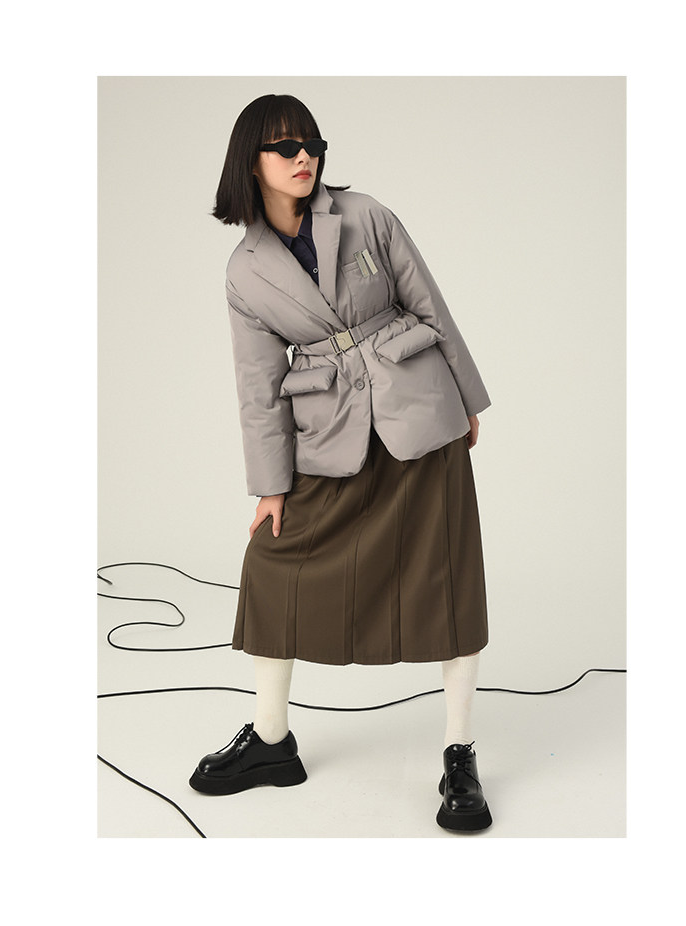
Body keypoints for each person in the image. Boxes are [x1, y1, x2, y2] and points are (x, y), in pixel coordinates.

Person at [188, 93, 493, 832]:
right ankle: (271, 742)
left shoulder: (366, 215)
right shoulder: (244, 271)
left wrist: (467, 400)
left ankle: (459, 756)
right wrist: (270, 487)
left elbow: (430, 305)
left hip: (420, 415)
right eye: (284, 147)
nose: (304, 157)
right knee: (273, 568)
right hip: (331, 434)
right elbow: (258, 386)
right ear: (250, 162)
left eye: (311, 143)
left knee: (448, 584)